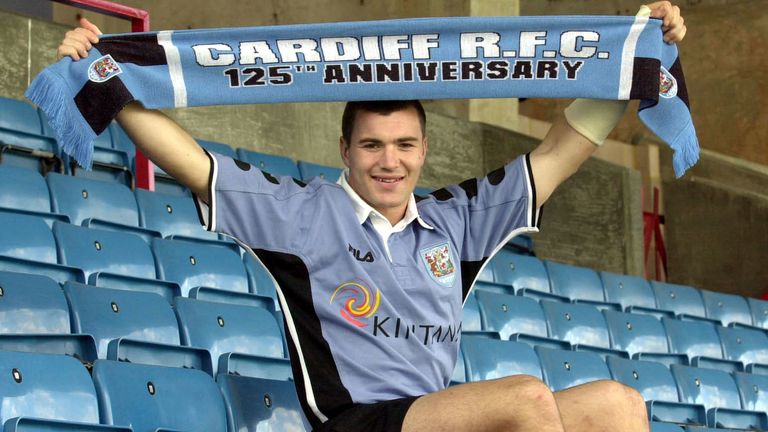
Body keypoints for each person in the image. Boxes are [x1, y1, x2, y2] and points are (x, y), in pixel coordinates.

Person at [57, 2, 686, 431]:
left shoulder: (457, 220)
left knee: (617, 402)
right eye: (372, 146)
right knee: (523, 397)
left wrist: (635, 52)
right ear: (345, 151)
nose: (390, 162)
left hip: (438, 416)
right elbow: (195, 165)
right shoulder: (301, 214)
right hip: (357, 423)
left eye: (405, 145)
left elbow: (559, 152)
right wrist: (106, 80)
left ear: (424, 150)